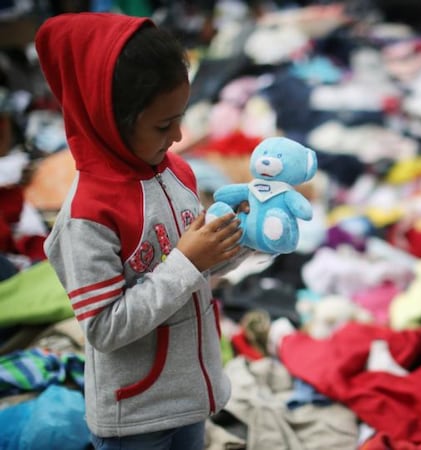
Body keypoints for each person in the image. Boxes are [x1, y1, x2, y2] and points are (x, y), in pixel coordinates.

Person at [35, 13, 249, 449]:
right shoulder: (88, 216)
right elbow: (104, 327)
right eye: (162, 124)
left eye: (180, 117)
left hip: (192, 396)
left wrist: (246, 232)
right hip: (136, 417)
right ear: (109, 119)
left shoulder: (177, 172)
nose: (178, 135)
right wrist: (188, 261)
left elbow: (203, 263)